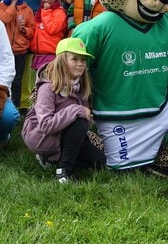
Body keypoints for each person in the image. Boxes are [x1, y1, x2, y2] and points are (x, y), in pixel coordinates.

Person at [21, 37, 105, 183]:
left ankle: (50, 159)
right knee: (79, 119)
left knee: (100, 163)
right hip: (41, 136)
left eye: (83, 60)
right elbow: (46, 124)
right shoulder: (47, 87)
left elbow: (84, 118)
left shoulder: (81, 85)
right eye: (75, 59)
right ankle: (64, 172)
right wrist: (76, 110)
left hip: (66, 134)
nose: (80, 64)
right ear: (62, 61)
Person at [0, 0, 35, 110]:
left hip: (20, 50)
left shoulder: (27, 9)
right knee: (5, 79)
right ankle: (3, 105)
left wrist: (24, 31)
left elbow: (32, 31)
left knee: (17, 80)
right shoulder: (0, 6)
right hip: (5, 50)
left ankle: (16, 107)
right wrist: (12, 2)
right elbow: (5, 19)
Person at [30, 0, 68, 70]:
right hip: (39, 55)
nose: (45, 0)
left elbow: (52, 28)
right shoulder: (40, 13)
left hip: (51, 55)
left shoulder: (59, 12)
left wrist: (46, 11)